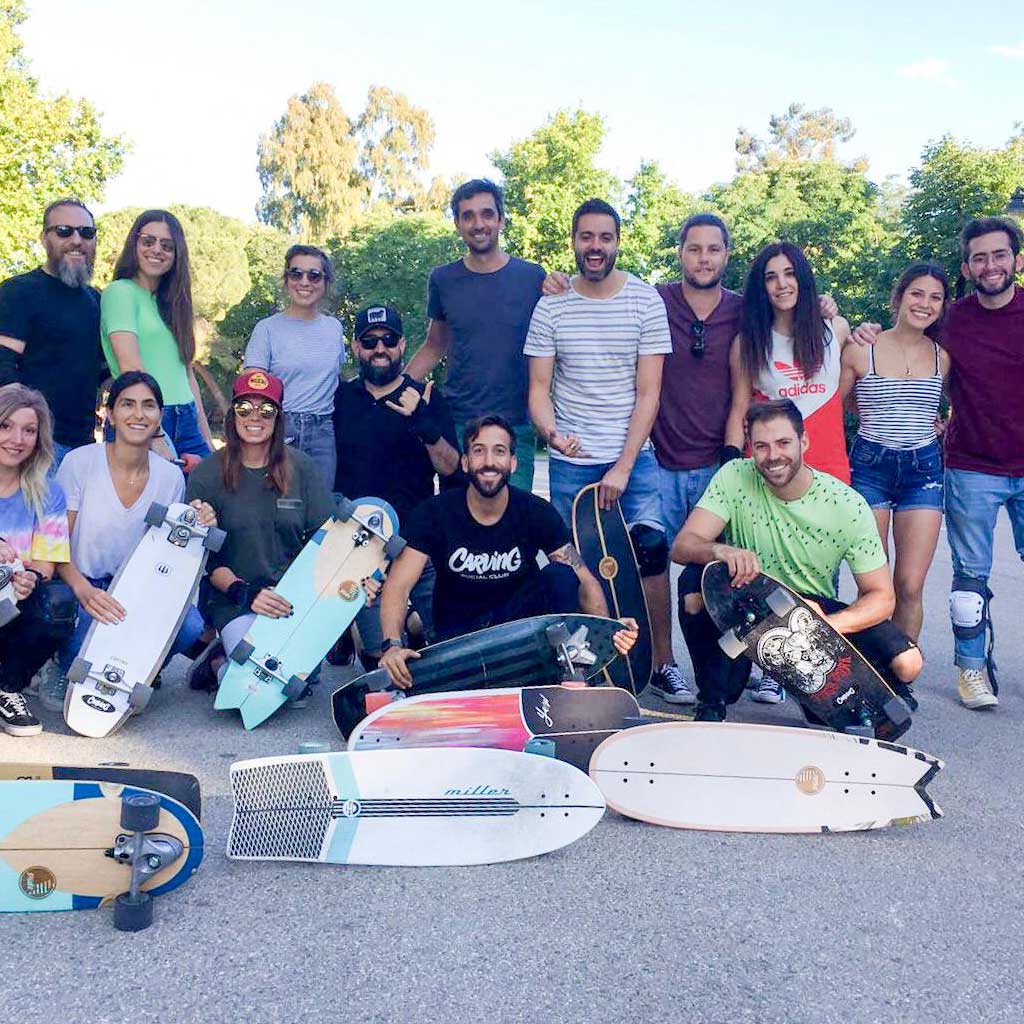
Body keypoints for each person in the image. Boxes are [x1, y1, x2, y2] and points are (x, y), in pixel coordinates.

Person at [854, 216, 1024, 710]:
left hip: (947, 466)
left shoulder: (948, 336)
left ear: (1016, 259)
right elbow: (852, 394)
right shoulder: (952, 323)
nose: (989, 265)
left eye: (998, 255)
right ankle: (968, 672)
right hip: (969, 465)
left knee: (910, 584)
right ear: (968, 268)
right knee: (965, 581)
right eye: (979, 258)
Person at [672, 399, 922, 723]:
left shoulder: (846, 504)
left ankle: (874, 694)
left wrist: (826, 627)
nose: (773, 455)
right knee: (695, 583)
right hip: (749, 605)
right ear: (750, 448)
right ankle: (713, 699)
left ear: (804, 442)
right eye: (761, 446)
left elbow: (882, 597)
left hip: (809, 609)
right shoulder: (735, 476)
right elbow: (683, 546)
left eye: (783, 443)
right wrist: (721, 550)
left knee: (908, 663)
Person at [524, 198, 678, 699]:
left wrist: (624, 465)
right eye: (586, 237)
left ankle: (661, 664)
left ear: (617, 242)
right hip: (571, 464)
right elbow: (538, 390)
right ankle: (592, 667)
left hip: (633, 457)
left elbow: (650, 392)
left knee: (649, 555)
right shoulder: (552, 303)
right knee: (578, 565)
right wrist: (551, 433)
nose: (595, 247)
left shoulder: (643, 300)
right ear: (574, 241)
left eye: (605, 237)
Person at [376, 415, 637, 688]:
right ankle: (418, 628)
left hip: (520, 630)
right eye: (479, 451)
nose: (489, 461)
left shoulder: (535, 511)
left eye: (499, 451)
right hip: (459, 635)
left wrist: (607, 630)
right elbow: (399, 584)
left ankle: (568, 669)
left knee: (561, 574)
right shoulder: (434, 513)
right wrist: (392, 645)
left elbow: (584, 580)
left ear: (513, 462)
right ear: (465, 462)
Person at [183, 370, 366, 695]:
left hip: (294, 600)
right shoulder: (207, 474)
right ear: (232, 414)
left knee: (295, 684)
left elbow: (326, 542)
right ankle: (218, 662)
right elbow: (203, 564)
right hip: (236, 598)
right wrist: (246, 592)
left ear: (279, 417)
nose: (255, 417)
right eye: (244, 408)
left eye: (266, 410)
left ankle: (226, 656)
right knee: (252, 686)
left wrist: (357, 582)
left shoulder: (303, 467)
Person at [45, 372, 216, 710]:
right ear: (109, 414)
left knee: (191, 625)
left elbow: (171, 549)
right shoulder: (80, 463)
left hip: (137, 586)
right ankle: (60, 666)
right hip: (83, 584)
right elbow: (54, 544)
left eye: (148, 406)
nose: (139, 415)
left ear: (159, 417)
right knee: (61, 615)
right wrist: (84, 590)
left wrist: (200, 516)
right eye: (127, 404)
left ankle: (140, 666)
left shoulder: (169, 476)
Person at [333, 304, 461, 667]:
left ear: (402, 345)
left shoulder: (427, 397)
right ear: (356, 348)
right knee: (379, 662)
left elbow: (452, 468)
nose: (379, 348)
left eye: (388, 339)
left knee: (446, 648)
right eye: (369, 341)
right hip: (359, 543)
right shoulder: (340, 399)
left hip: (417, 541)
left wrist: (425, 425)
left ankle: (413, 622)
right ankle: (356, 630)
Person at [408, 179, 546, 490]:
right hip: (458, 423)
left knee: (513, 523)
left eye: (486, 214)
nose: (478, 223)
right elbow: (435, 344)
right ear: (457, 223)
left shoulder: (533, 277)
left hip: (516, 423)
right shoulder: (443, 279)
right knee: (458, 524)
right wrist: (398, 388)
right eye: (468, 215)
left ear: (501, 220)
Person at [839, 262, 950, 645]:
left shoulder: (942, 357)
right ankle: (869, 672)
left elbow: (959, 405)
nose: (925, 303)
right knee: (875, 585)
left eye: (935, 297)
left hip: (924, 471)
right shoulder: (861, 348)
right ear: (900, 297)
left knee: (910, 585)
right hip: (871, 468)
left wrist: (947, 423)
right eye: (917, 293)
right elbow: (836, 404)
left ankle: (902, 672)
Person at [726, 242, 853, 485]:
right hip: (772, 471)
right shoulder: (747, 343)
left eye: (790, 273)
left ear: (802, 278)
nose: (782, 284)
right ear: (762, 287)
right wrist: (730, 464)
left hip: (830, 469)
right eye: (771, 277)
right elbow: (738, 409)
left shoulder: (836, 328)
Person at [101, 209, 213, 459]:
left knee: (203, 497)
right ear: (134, 244)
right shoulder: (120, 292)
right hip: (143, 421)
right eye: (148, 241)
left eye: (167, 245)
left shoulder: (174, 303)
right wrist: (156, 434)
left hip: (186, 418)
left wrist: (205, 437)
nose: (157, 250)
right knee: (149, 498)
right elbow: (131, 368)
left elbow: (187, 374)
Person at [0, 199, 104, 467]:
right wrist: (24, 438)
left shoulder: (97, 300)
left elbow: (104, 372)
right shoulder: (18, 292)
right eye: (64, 231)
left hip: (83, 448)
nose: (77, 240)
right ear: (44, 238)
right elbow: (4, 367)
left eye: (86, 232)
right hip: (34, 450)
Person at [0, 384, 73, 735]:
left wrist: (28, 578)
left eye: (29, 430)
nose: (17, 439)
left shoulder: (49, 491)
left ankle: (8, 686)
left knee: (58, 603)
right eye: (6, 426)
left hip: (13, 602)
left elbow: (47, 563)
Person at [244, 245, 344, 487]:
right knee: (273, 505)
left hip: (323, 431)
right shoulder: (267, 329)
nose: (305, 281)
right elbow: (251, 387)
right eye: (296, 273)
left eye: (314, 275)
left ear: (325, 282)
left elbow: (336, 382)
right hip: (278, 428)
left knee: (320, 508)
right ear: (286, 279)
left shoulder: (334, 328)